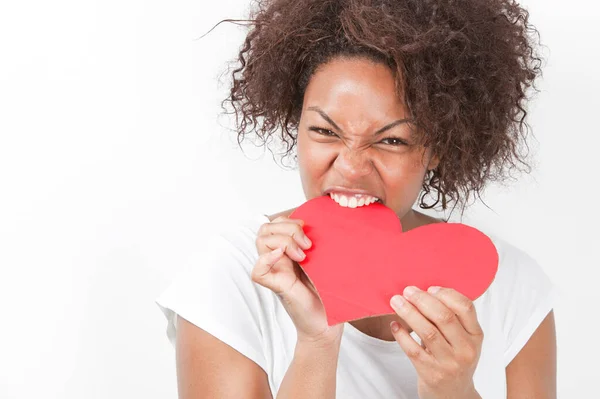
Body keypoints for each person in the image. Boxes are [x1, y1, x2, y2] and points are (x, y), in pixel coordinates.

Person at [156, 0, 559, 397]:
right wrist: (318, 342)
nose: (350, 167)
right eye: (325, 132)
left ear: (437, 148)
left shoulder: (512, 287)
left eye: (392, 140)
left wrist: (452, 391)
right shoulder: (229, 278)